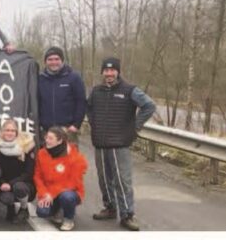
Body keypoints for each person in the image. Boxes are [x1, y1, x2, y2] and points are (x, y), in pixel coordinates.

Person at [87, 57, 156, 231]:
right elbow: (89, 109)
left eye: (112, 70)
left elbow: (149, 106)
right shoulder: (96, 91)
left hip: (119, 144)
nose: (109, 73)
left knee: (122, 181)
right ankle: (110, 208)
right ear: (102, 72)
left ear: (118, 71)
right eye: (106, 70)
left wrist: (134, 127)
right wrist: (94, 124)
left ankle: (127, 215)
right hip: (100, 143)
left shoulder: (129, 90)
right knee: (104, 180)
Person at [34, 126, 88, 232]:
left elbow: (73, 183)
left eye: (50, 138)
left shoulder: (75, 157)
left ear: (59, 141)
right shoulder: (42, 153)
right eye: (46, 137)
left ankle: (69, 218)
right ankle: (58, 209)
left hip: (69, 192)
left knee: (67, 197)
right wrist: (44, 194)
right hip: (49, 193)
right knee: (42, 212)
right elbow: (37, 176)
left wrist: (52, 194)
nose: (46, 140)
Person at [0, 117, 36, 223]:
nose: (9, 133)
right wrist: (2, 183)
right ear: (2, 132)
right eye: (7, 130)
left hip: (23, 183)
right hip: (3, 183)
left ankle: (24, 209)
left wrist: (10, 184)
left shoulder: (26, 146)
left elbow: (28, 173)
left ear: (17, 132)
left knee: (19, 187)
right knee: (6, 198)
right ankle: (10, 209)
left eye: (12, 130)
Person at [38, 46, 87, 140]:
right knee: (46, 155)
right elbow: (36, 102)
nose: (53, 62)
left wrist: (76, 125)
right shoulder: (40, 79)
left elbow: (81, 102)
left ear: (62, 60)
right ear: (45, 61)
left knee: (69, 155)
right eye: (50, 59)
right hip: (46, 131)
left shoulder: (74, 77)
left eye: (57, 59)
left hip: (67, 130)